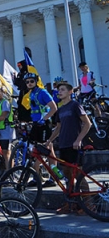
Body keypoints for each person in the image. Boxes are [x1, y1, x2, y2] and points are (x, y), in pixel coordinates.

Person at [45, 81, 91, 215]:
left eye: (63, 90)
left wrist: (78, 140)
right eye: (59, 90)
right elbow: (58, 128)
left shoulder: (75, 105)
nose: (59, 92)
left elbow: (87, 124)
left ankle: (89, 204)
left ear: (70, 92)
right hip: (63, 145)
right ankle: (71, 203)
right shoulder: (60, 109)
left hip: (74, 145)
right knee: (67, 175)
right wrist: (49, 140)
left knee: (78, 175)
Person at [25, 72, 58, 187]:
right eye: (27, 82)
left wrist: (44, 119)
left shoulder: (42, 92)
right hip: (36, 124)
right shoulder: (31, 93)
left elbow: (54, 108)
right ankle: (37, 177)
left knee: (47, 149)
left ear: (36, 81)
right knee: (40, 149)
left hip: (43, 124)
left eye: (31, 81)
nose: (29, 83)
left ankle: (53, 177)